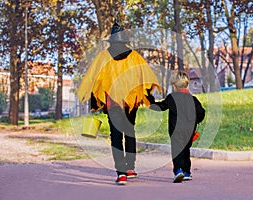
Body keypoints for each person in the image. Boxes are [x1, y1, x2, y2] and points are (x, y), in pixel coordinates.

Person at [77, 20, 160, 185]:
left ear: (113, 41)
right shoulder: (135, 57)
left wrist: (94, 104)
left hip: (113, 102)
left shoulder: (103, 57)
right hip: (132, 101)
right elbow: (145, 78)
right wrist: (150, 99)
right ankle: (130, 168)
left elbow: (95, 81)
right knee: (130, 132)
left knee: (116, 136)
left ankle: (121, 173)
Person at [147, 70, 205, 183]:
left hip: (175, 130)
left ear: (174, 85)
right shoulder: (193, 100)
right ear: (187, 84)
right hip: (189, 130)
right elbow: (201, 113)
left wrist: (149, 99)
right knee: (186, 150)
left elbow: (160, 107)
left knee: (177, 150)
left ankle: (178, 170)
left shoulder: (171, 98)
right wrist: (196, 121)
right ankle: (187, 172)